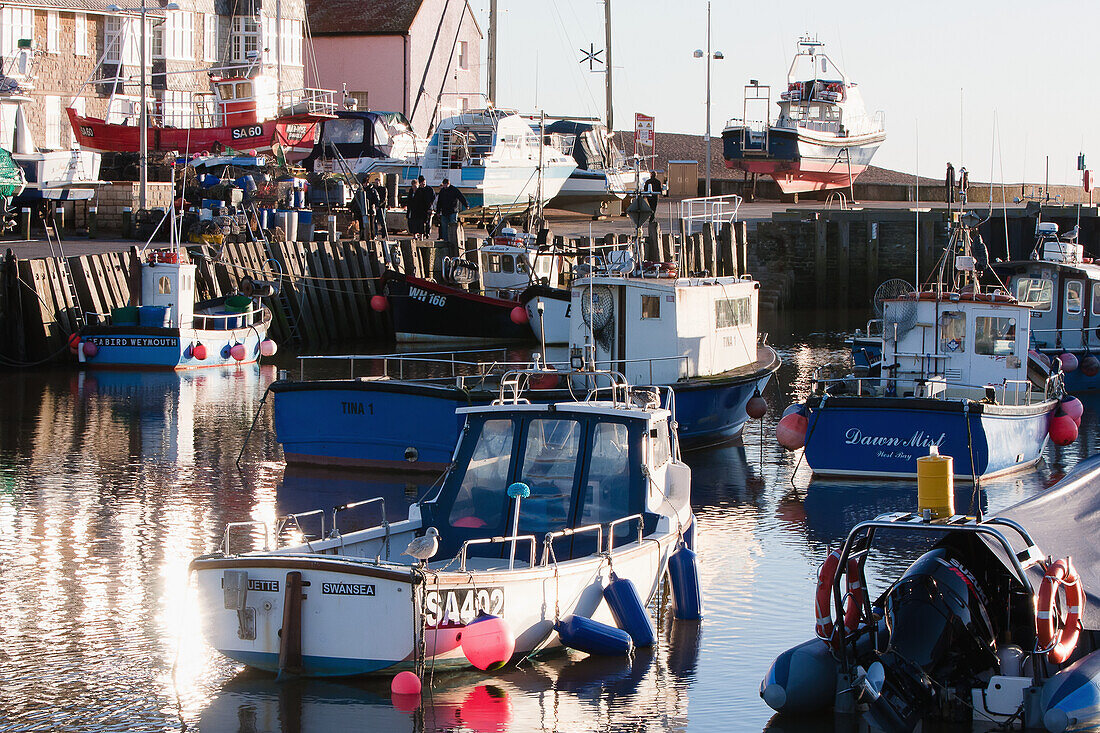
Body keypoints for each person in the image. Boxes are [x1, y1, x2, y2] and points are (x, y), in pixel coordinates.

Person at [434, 177, 468, 242]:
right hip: (444, 211)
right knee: (444, 226)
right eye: (444, 185)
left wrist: (466, 204)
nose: (445, 186)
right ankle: (446, 240)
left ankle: (454, 238)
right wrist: (438, 211)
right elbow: (439, 202)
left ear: (448, 184)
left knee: (453, 225)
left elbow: (461, 197)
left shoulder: (454, 190)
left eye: (446, 185)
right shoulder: (442, 191)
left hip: (453, 210)